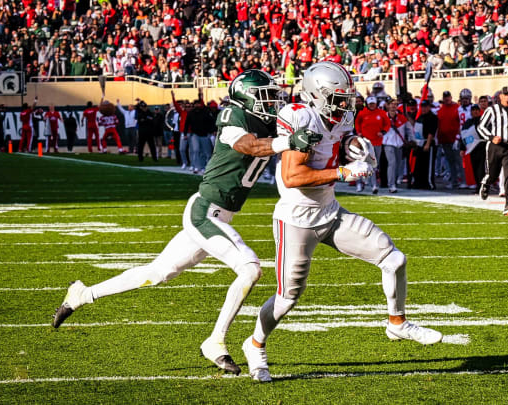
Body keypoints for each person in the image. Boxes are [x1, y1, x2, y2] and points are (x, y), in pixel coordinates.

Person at [52, 69, 321, 375]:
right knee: (250, 269)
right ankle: (216, 342)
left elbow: (296, 129)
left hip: (221, 212)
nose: (273, 102)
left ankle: (82, 294)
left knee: (157, 272)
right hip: (205, 211)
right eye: (266, 96)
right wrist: (287, 142)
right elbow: (250, 146)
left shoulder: (268, 120)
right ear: (247, 97)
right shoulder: (233, 115)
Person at [241, 62, 443, 383]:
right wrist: (342, 172)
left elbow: (343, 137)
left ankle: (397, 323)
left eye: (346, 97)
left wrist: (355, 147)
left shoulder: (340, 115)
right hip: (296, 220)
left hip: (330, 212)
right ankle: (255, 344)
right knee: (287, 297)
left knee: (394, 259)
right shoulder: (299, 117)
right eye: (338, 98)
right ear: (316, 95)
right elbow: (293, 176)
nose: (345, 104)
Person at [478, 86, 508, 215]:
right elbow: (481, 127)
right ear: (500, 97)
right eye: (505, 95)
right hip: (495, 147)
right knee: (492, 175)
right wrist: (491, 137)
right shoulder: (492, 110)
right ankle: (486, 184)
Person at [354, 96, 390, 193]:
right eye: (370, 104)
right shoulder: (362, 113)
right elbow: (357, 123)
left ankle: (373, 184)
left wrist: (383, 132)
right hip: (365, 142)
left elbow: (387, 124)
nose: (372, 106)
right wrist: (359, 132)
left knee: (374, 164)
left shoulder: (381, 113)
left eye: (373, 104)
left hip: (377, 142)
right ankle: (361, 183)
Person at [437, 90, 464, 189]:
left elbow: (461, 123)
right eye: (445, 97)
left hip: (455, 139)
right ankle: (454, 181)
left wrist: (458, 137)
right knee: (450, 161)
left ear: (451, 97)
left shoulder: (457, 108)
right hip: (444, 139)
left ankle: (464, 181)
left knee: (458, 160)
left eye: (448, 97)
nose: (447, 99)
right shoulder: (441, 109)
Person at [382, 99, 410, 193]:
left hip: (399, 144)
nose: (394, 106)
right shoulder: (383, 117)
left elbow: (408, 129)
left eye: (395, 104)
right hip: (388, 143)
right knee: (392, 163)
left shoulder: (402, 117)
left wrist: (412, 140)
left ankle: (394, 181)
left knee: (398, 164)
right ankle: (391, 185)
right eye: (392, 104)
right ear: (388, 105)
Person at [410, 99, 438, 189]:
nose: (424, 109)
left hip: (428, 142)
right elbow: (415, 125)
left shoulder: (432, 117)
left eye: (426, 107)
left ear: (429, 107)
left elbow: (431, 132)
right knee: (420, 164)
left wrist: (428, 144)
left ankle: (429, 183)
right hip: (419, 143)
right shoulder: (420, 117)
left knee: (428, 165)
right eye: (422, 107)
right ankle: (419, 182)